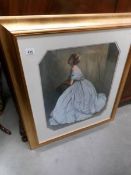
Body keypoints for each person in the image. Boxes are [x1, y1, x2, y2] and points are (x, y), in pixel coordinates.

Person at [49, 53, 106, 125]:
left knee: (66, 99)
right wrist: (65, 82)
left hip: (80, 85)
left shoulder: (74, 68)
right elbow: (71, 79)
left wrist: (63, 83)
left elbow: (70, 82)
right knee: (67, 97)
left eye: (70, 60)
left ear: (72, 61)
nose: (69, 62)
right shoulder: (75, 68)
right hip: (82, 84)